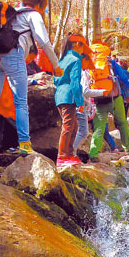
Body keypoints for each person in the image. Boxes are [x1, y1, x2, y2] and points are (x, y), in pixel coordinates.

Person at [0, 0, 62, 156]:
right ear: (40, 5)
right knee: (20, 102)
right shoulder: (33, 15)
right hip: (13, 56)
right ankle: (24, 143)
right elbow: (44, 42)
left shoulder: (11, 14)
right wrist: (56, 66)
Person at [88, 38, 129, 162]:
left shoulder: (90, 63)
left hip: (98, 99)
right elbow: (123, 77)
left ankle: (94, 153)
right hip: (114, 97)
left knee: (99, 128)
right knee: (122, 123)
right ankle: (128, 148)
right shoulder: (110, 63)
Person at [54, 32, 90, 167]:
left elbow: (56, 79)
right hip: (69, 96)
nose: (83, 49)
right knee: (69, 126)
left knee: (73, 125)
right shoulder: (75, 60)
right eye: (82, 46)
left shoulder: (62, 60)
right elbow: (75, 83)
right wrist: (80, 102)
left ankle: (69, 154)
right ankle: (62, 156)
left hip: (60, 94)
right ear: (76, 44)